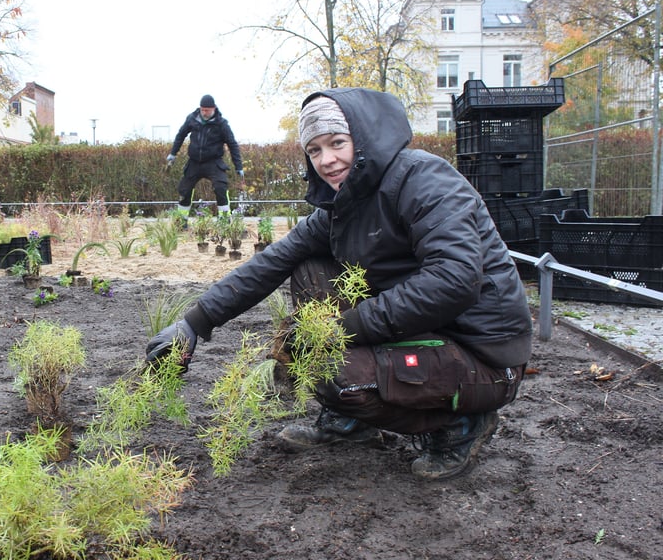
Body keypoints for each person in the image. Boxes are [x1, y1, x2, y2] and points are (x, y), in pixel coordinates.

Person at [146, 88, 532, 481]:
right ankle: (351, 421)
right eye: (314, 150)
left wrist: (340, 331)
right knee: (309, 268)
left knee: (329, 368)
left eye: (337, 143)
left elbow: (454, 281)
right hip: (422, 332)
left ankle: (463, 425)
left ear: (363, 139)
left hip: (482, 356)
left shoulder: (424, 180)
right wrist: (195, 322)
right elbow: (273, 261)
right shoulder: (343, 204)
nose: (326, 160)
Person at [166, 94, 244, 219]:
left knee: (220, 188)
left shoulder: (221, 124)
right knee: (184, 190)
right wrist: (173, 153)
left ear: (213, 109)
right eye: (202, 109)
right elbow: (181, 135)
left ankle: (224, 220)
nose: (204, 112)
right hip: (194, 162)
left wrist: (238, 166)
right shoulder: (192, 119)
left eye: (207, 110)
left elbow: (232, 144)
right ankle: (181, 220)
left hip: (214, 162)